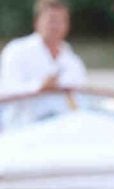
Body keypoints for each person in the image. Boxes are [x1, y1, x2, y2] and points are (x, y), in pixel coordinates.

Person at [0, 0, 87, 128]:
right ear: (37, 22)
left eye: (61, 21)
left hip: (64, 130)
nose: (56, 26)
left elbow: (83, 97)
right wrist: (39, 87)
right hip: (23, 130)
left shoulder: (72, 60)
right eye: (51, 20)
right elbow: (5, 91)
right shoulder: (16, 51)